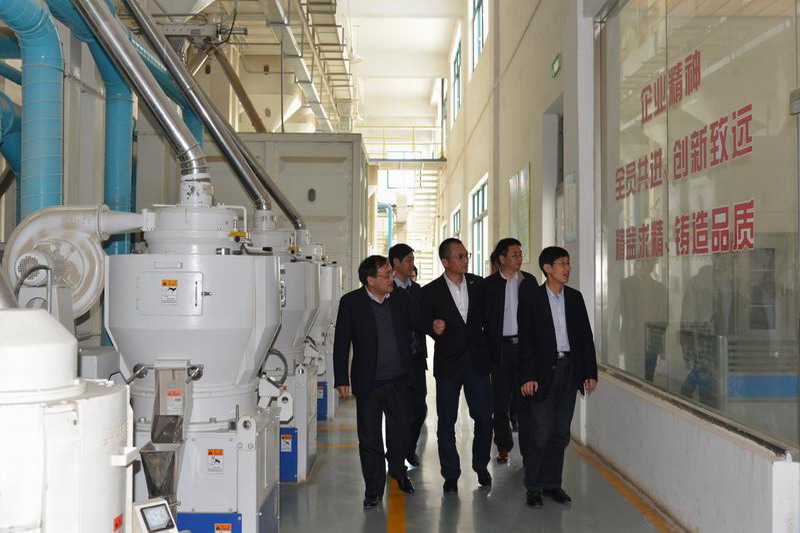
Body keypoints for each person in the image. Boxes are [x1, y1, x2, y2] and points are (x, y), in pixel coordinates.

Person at [333, 255, 417, 508]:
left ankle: (398, 472)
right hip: (370, 382)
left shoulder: (400, 298)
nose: (391, 278)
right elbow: (341, 342)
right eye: (386, 274)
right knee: (370, 438)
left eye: (391, 272)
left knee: (401, 433)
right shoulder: (351, 302)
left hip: (399, 379)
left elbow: (417, 324)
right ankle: (373, 489)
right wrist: (341, 378)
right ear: (370, 280)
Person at [517, 246, 598, 508]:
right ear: (547, 268)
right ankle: (533, 486)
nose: (567, 268)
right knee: (540, 433)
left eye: (568, 263)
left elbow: (585, 337)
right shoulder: (531, 298)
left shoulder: (574, 298)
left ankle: (552, 484)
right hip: (542, 373)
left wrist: (590, 372)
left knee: (561, 433)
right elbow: (526, 341)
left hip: (570, 370)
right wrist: (527, 376)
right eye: (562, 263)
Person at [420, 238, 493, 493]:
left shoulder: (479, 285)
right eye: (459, 256)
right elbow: (422, 321)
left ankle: (481, 465)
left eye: (466, 255)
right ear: (445, 261)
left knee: (483, 418)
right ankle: (450, 474)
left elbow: (489, 320)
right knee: (446, 422)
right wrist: (433, 328)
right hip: (449, 365)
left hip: (477, 363)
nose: (465, 260)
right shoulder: (431, 291)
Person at [484, 238, 537, 464]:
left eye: (520, 254)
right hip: (501, 351)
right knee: (500, 403)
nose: (519, 258)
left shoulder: (529, 281)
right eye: (514, 254)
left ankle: (527, 452)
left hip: (525, 349)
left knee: (526, 403)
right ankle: (503, 446)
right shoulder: (489, 285)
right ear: (502, 258)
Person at [388, 243, 428, 467]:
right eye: (408, 260)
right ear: (396, 262)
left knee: (419, 408)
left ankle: (409, 448)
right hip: (396, 361)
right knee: (398, 412)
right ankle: (396, 455)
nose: (412, 263)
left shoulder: (417, 290)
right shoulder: (388, 290)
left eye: (413, 259)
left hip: (416, 358)